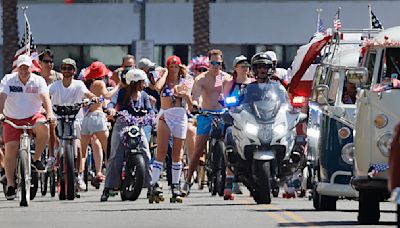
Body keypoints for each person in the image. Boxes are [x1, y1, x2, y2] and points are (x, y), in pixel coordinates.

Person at [0, 54, 56, 200]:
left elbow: (45, 98)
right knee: (11, 148)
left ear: (32, 67)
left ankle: (36, 158)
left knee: (44, 128)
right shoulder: (8, 80)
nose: (25, 71)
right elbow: (2, 97)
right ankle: (11, 184)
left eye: (27, 67)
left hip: (33, 116)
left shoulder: (38, 80)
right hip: (12, 118)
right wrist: (0, 113)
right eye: (22, 68)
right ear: (17, 68)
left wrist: (49, 113)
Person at [182, 49, 231, 195]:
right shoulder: (201, 79)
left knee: (231, 146)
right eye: (213, 63)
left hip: (223, 114)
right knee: (198, 149)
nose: (216, 66)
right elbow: (196, 95)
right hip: (206, 114)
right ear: (209, 63)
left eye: (218, 63)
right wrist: (196, 104)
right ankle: (188, 181)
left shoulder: (227, 78)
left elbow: (233, 95)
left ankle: (230, 180)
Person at [101, 69, 154, 201]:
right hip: (122, 124)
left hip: (138, 125)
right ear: (133, 83)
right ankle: (108, 187)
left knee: (146, 153)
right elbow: (112, 103)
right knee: (115, 155)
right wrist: (111, 109)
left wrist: (152, 115)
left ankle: (151, 186)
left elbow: (150, 110)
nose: (144, 84)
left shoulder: (144, 96)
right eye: (142, 82)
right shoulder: (122, 93)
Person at [49, 58, 98, 190]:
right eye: (64, 68)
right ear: (61, 70)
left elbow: (88, 93)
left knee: (77, 146)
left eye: (70, 68)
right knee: (55, 137)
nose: (67, 71)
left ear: (74, 71)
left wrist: (93, 97)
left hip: (75, 118)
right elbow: (45, 96)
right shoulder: (54, 86)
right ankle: (53, 159)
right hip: (58, 117)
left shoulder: (79, 84)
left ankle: (79, 175)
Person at [149, 55, 193, 201]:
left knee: (177, 154)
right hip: (165, 115)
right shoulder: (162, 78)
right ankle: (154, 183)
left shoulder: (185, 81)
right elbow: (157, 87)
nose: (174, 69)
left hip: (180, 116)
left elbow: (191, 106)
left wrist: (186, 96)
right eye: (171, 67)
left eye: (176, 67)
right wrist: (166, 74)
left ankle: (175, 185)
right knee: (161, 152)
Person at [80, 61, 120, 187]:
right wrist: (118, 86)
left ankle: (80, 177)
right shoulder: (100, 83)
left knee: (83, 152)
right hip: (97, 117)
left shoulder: (90, 84)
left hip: (86, 119)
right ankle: (111, 177)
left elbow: (101, 99)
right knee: (108, 149)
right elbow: (107, 95)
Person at [222, 55, 253, 199]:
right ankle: (229, 184)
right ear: (235, 68)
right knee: (231, 146)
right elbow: (224, 99)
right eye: (241, 65)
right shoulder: (230, 83)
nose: (245, 67)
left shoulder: (253, 83)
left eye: (247, 65)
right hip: (235, 119)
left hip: (251, 121)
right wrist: (227, 103)